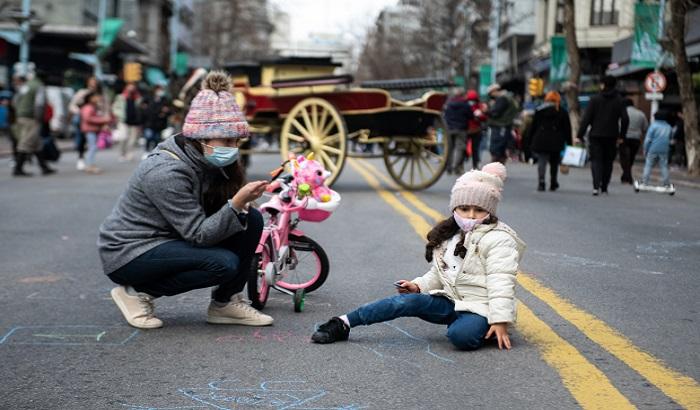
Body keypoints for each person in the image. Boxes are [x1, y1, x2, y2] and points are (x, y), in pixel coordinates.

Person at [98, 71, 273, 329]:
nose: (233, 147)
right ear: (200, 138)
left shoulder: (206, 159)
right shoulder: (165, 172)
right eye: (226, 140)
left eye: (236, 140)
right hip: (131, 250)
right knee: (222, 264)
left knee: (252, 219)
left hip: (170, 237)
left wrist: (240, 207)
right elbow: (198, 234)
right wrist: (235, 203)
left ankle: (225, 304)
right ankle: (136, 293)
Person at [311, 163, 526, 351]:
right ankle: (344, 322)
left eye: (478, 210)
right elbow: (439, 273)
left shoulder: (499, 239)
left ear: (490, 211)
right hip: (452, 301)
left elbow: (501, 282)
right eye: (464, 208)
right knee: (404, 301)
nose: (470, 215)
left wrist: (500, 320)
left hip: (481, 308)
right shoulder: (451, 235)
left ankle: (483, 326)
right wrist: (418, 286)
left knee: (461, 337)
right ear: (455, 209)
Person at [577, 75, 629, 196]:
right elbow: (625, 119)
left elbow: (587, 119)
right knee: (608, 161)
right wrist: (622, 136)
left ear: (603, 84)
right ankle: (604, 187)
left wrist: (579, 135)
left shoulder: (595, 99)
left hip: (595, 135)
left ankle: (596, 186)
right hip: (612, 135)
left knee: (596, 160)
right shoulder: (619, 100)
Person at [11, 66, 55, 177]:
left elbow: (15, 100)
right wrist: (39, 119)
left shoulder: (27, 85)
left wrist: (19, 113)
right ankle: (18, 168)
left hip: (21, 117)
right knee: (26, 142)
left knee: (36, 143)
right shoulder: (39, 86)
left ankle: (44, 167)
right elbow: (39, 104)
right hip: (31, 118)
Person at [525, 91, 571, 192]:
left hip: (541, 140)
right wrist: (569, 142)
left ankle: (541, 182)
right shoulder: (562, 111)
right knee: (554, 162)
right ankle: (553, 182)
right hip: (556, 141)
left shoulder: (539, 110)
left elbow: (533, 127)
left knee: (542, 161)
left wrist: (529, 140)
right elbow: (567, 128)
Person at [68, 76, 101, 171]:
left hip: (94, 120)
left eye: (95, 82)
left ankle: (90, 161)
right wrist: (80, 112)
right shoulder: (83, 92)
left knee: (93, 142)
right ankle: (81, 158)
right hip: (83, 119)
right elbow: (72, 105)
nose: (93, 84)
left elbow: (102, 107)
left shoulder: (99, 94)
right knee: (82, 139)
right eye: (91, 82)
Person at [485, 84, 519, 164]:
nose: (491, 96)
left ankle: (495, 168)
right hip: (504, 125)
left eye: (491, 94)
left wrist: (486, 111)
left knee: (496, 148)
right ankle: (499, 167)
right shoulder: (507, 98)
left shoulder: (502, 99)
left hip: (500, 125)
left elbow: (496, 112)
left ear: (495, 91)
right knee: (500, 148)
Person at [80, 92, 112, 174]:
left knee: (93, 147)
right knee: (92, 147)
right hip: (90, 130)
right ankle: (89, 165)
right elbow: (88, 118)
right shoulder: (88, 107)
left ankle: (91, 164)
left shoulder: (93, 107)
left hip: (93, 129)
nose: (97, 98)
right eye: (95, 97)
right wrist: (103, 119)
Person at [443, 90, 474, 174]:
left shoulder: (448, 104)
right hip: (461, 129)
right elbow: (471, 116)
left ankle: (449, 166)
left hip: (450, 128)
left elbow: (445, 116)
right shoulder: (466, 105)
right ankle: (456, 166)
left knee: (450, 148)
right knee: (460, 148)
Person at [618, 99, 648, 184]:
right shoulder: (641, 114)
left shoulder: (622, 113)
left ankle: (627, 177)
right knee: (631, 158)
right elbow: (645, 127)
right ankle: (626, 176)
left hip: (624, 137)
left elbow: (618, 125)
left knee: (624, 158)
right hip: (636, 138)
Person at [641, 110, 673, 187]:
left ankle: (644, 182)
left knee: (648, 165)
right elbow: (670, 138)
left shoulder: (653, 126)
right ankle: (666, 183)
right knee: (663, 166)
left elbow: (648, 140)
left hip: (653, 149)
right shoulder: (669, 127)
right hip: (664, 150)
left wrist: (645, 149)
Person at [112, 83, 143, 161]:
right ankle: (122, 153)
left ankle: (130, 153)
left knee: (132, 139)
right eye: (129, 89)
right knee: (123, 137)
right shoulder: (120, 97)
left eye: (132, 89)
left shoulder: (138, 98)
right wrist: (120, 115)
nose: (131, 90)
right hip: (123, 121)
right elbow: (115, 108)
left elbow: (141, 109)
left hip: (135, 122)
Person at [142, 85, 171, 155]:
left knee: (157, 138)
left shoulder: (164, 99)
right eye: (159, 90)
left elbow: (169, 110)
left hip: (160, 123)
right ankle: (146, 150)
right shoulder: (149, 98)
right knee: (149, 137)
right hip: (149, 122)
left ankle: (154, 152)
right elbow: (146, 109)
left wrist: (165, 112)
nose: (160, 91)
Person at [465, 89, 487, 170]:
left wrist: (480, 115)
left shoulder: (480, 106)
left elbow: (485, 117)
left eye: (473, 100)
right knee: (464, 147)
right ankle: (466, 157)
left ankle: (475, 164)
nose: (471, 101)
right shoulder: (465, 106)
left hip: (476, 130)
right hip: (467, 130)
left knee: (475, 149)